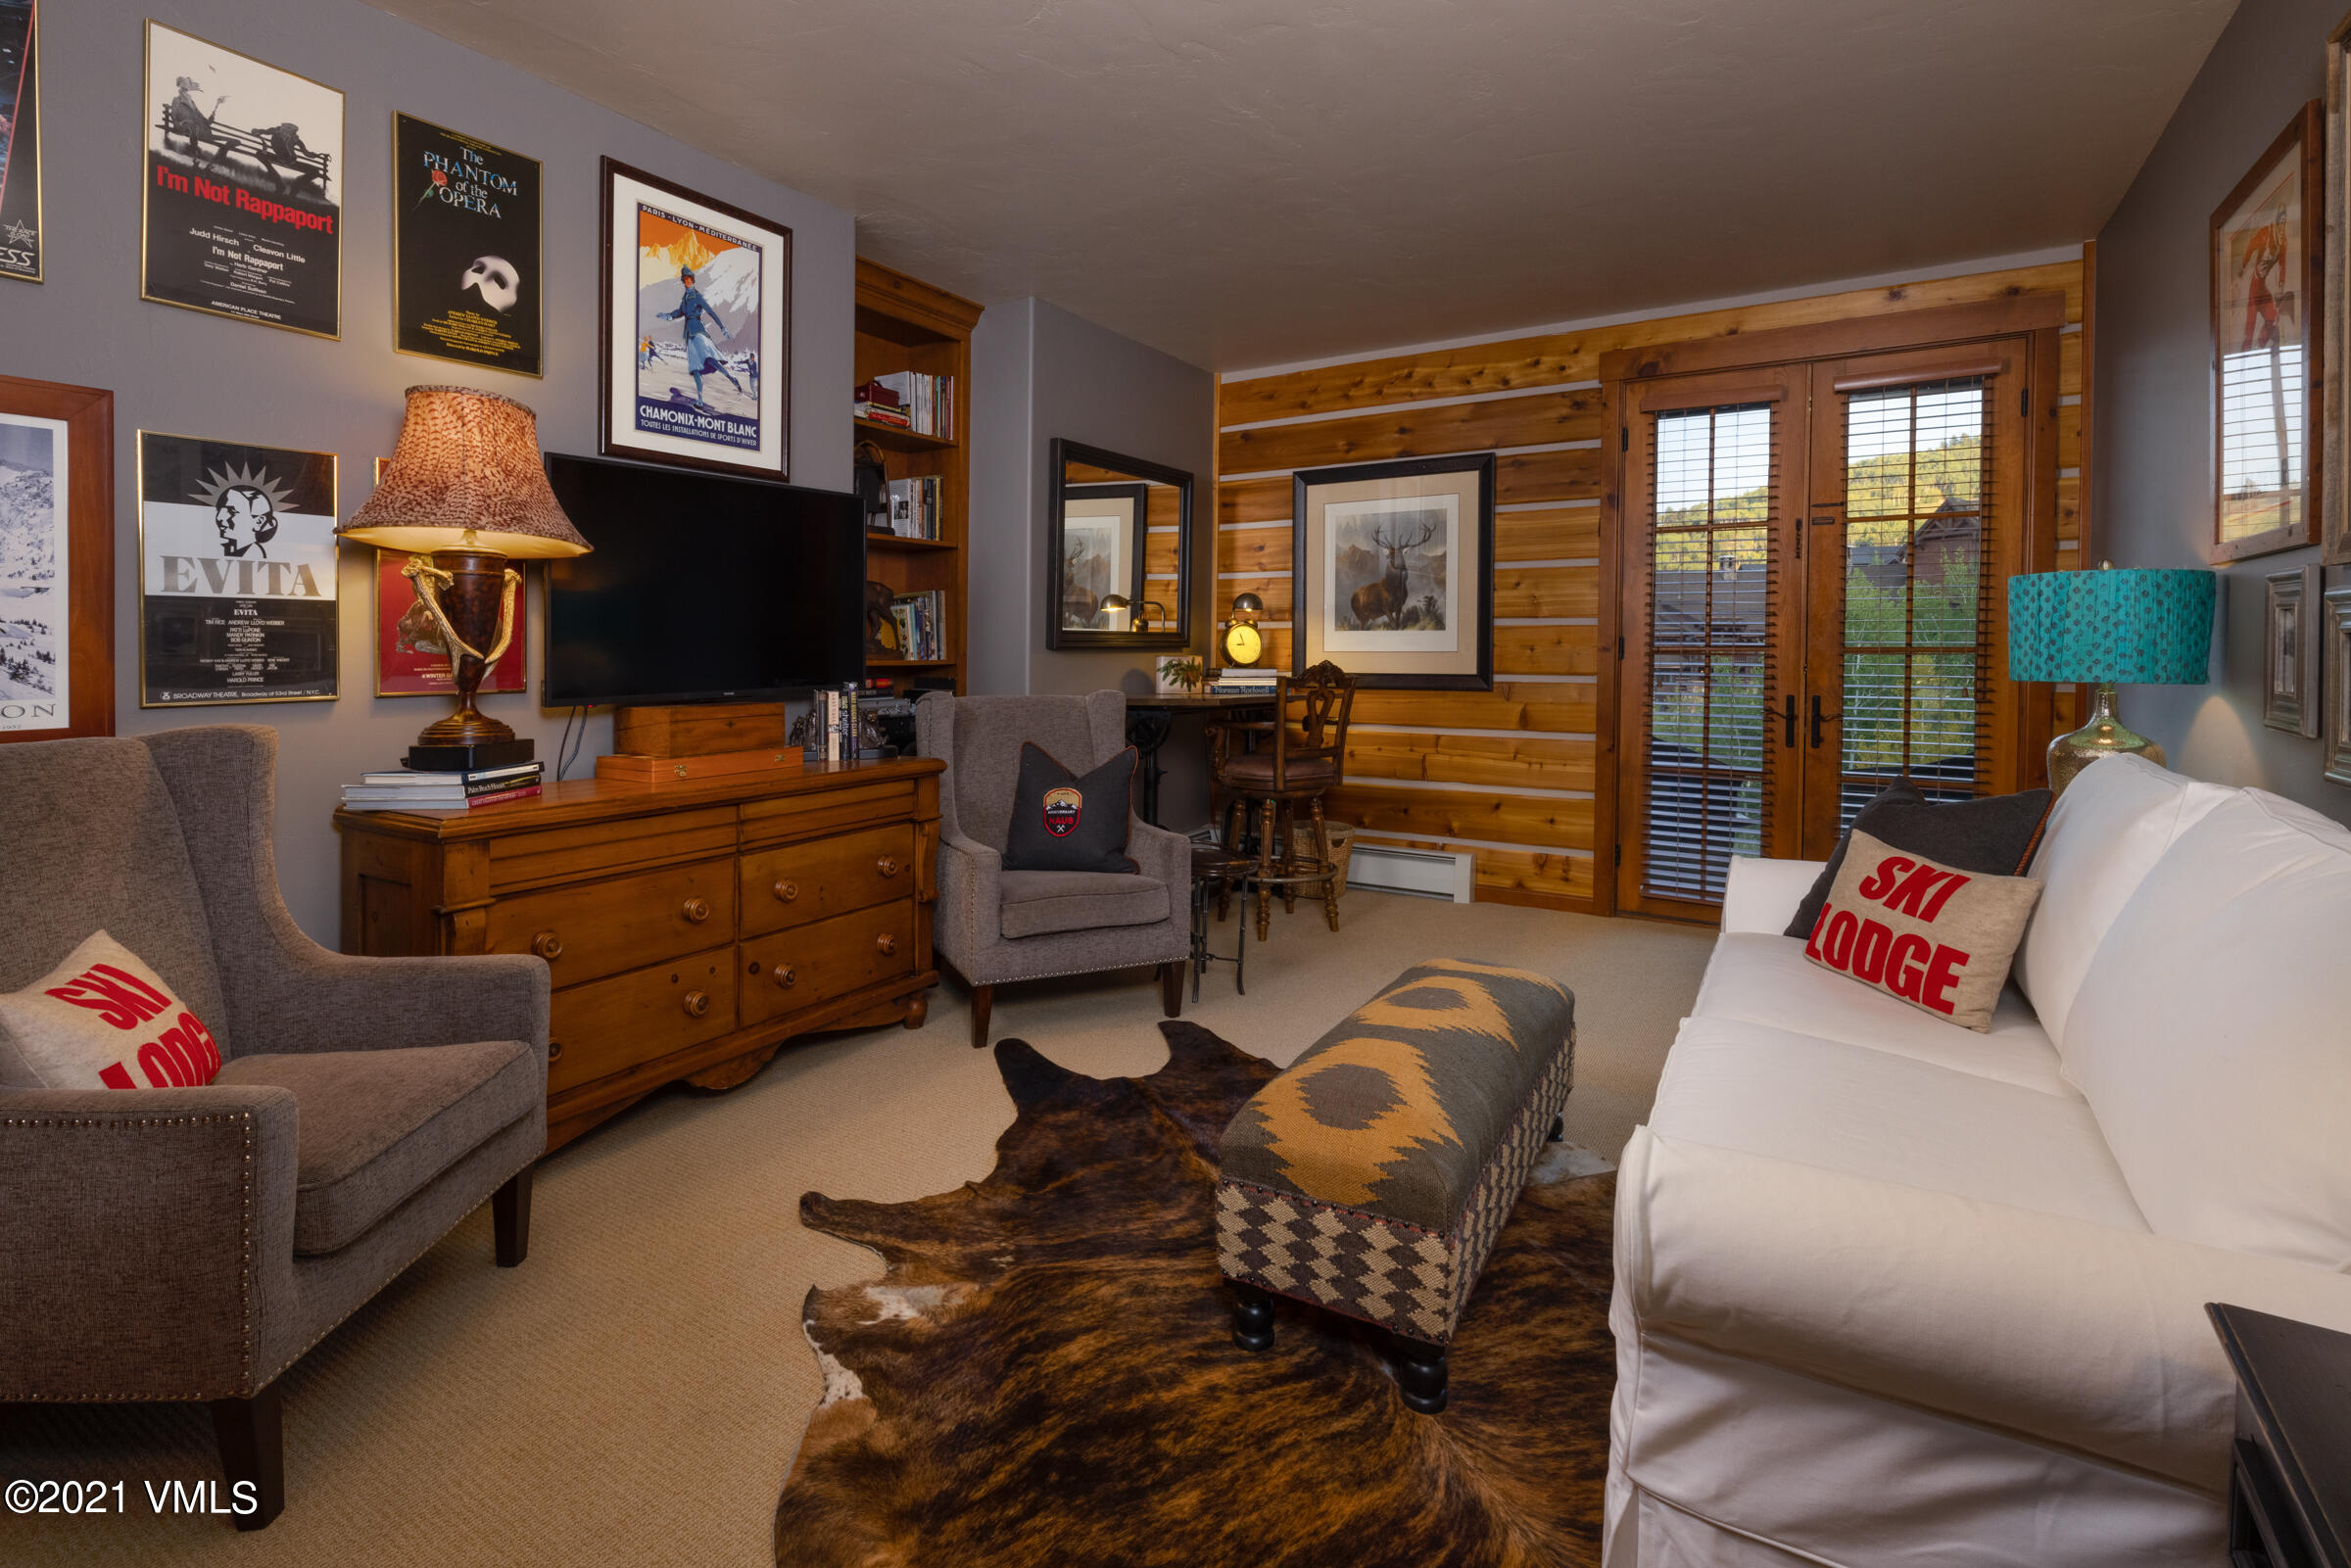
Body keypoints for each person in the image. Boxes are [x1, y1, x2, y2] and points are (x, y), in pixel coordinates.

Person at [654, 264, 744, 405]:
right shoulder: (684, 298)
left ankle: (730, 377)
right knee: (695, 368)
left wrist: (723, 328)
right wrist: (667, 316)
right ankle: (700, 400)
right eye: (685, 280)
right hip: (689, 336)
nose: (688, 282)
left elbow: (711, 312)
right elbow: (680, 312)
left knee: (710, 360)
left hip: (699, 332)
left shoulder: (698, 296)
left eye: (690, 279)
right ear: (683, 282)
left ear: (693, 280)